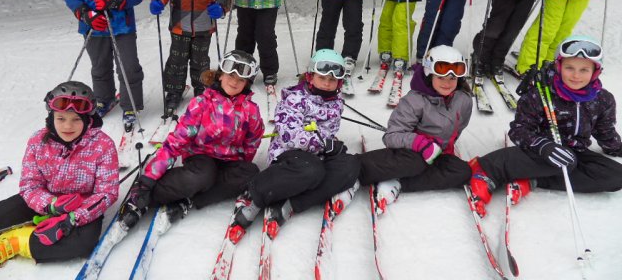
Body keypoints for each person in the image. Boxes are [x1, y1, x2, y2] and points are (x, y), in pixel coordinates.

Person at [469, 35, 622, 217]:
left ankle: (534, 179)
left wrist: (616, 148)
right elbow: (519, 130)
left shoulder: (603, 99)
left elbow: (605, 132)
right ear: (559, 66)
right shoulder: (541, 93)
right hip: (539, 151)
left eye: (584, 70)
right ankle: (488, 168)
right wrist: (542, 145)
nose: (576, 75)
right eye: (569, 68)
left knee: (616, 176)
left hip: (574, 152)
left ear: (595, 72)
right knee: (568, 161)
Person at [119, 50, 264, 229]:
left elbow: (252, 141)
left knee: (250, 173)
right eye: (230, 76)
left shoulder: (250, 110)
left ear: (247, 84)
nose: (234, 82)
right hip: (201, 158)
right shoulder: (202, 103)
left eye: (241, 80)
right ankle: (150, 196)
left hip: (230, 161)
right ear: (220, 75)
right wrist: (148, 179)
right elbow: (176, 142)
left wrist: (241, 163)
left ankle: (190, 198)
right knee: (204, 176)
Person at [0, 81, 119, 270]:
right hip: (44, 200)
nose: (68, 126)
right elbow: (29, 186)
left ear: (88, 119)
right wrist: (51, 204)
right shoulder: (38, 141)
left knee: (83, 244)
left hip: (81, 208)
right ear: (51, 116)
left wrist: (74, 217)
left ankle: (19, 241)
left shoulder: (103, 145)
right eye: (61, 118)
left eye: (76, 119)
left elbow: (107, 192)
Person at [230, 49, 360, 237]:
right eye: (322, 77)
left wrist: (332, 146)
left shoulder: (336, 103)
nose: (327, 83)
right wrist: (324, 144)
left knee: (350, 165)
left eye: (332, 80)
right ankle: (257, 194)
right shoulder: (294, 98)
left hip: (317, 157)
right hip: (289, 156)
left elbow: (328, 131)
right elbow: (289, 135)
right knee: (312, 169)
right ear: (311, 76)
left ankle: (291, 204)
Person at [358, 45, 473, 213]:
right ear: (429, 74)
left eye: (452, 78)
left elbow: (459, 127)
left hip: (438, 154)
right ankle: (367, 170)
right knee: (415, 164)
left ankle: (398, 182)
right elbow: (391, 136)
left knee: (462, 172)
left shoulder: (464, 100)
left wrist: (444, 148)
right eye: (441, 77)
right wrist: (421, 144)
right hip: (412, 152)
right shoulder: (414, 101)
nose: (447, 83)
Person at [62, 0, 145, 129]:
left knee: (128, 66)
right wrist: (84, 13)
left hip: (122, 27)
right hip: (93, 27)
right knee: (100, 66)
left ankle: (130, 105)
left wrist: (117, 0)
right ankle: (103, 99)